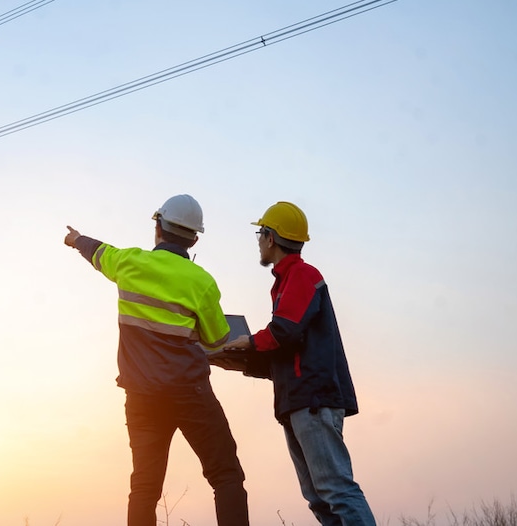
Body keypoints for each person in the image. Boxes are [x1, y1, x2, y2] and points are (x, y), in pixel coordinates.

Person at [64, 194, 249, 526]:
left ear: (158, 227)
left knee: (145, 488)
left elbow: (97, 251)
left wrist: (76, 239)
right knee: (226, 476)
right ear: (194, 238)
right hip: (191, 394)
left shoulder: (129, 262)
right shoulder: (202, 281)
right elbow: (217, 339)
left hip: (142, 398)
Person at [215, 201, 375, 526]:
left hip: (313, 402)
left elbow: (284, 331)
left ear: (271, 238)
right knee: (319, 498)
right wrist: (234, 361)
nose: (258, 240)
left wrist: (248, 341)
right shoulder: (285, 281)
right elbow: (287, 353)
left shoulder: (303, 275)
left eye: (260, 233)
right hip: (297, 402)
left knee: (336, 490)